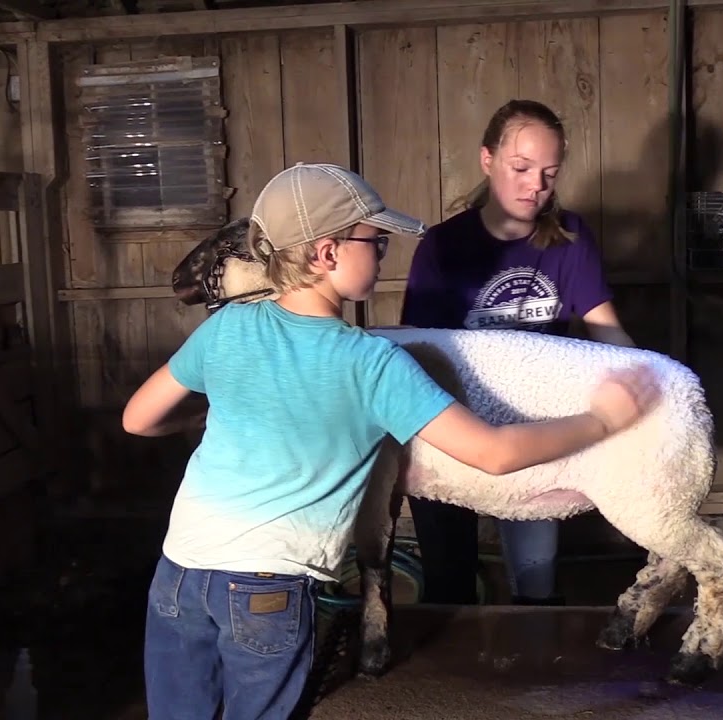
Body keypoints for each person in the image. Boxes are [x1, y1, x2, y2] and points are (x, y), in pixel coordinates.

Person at [122, 161, 662, 720]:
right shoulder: (371, 362)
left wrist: (207, 420)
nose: (383, 254)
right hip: (268, 588)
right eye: (375, 241)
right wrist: (602, 421)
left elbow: (138, 418)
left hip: (178, 573)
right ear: (326, 254)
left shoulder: (227, 327)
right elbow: (494, 454)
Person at [400, 99, 639, 607]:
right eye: (522, 168)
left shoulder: (569, 240)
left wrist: (647, 384)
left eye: (550, 174)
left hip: (536, 429)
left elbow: (606, 328)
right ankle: (454, 681)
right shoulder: (442, 247)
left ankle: (535, 679)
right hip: (453, 428)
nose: (537, 186)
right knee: (448, 580)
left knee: (537, 579)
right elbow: (418, 352)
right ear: (487, 160)